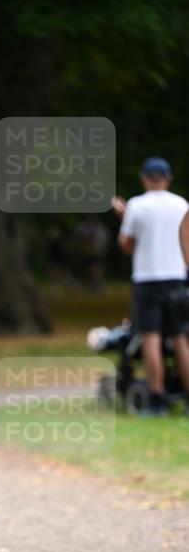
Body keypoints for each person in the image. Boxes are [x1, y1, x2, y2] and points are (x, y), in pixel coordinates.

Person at [112, 157, 189, 416]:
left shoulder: (136, 205)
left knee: (151, 338)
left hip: (147, 279)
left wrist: (124, 217)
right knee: (181, 339)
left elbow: (126, 244)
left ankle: (157, 399)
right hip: (177, 278)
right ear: (168, 178)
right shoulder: (182, 204)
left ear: (144, 178)